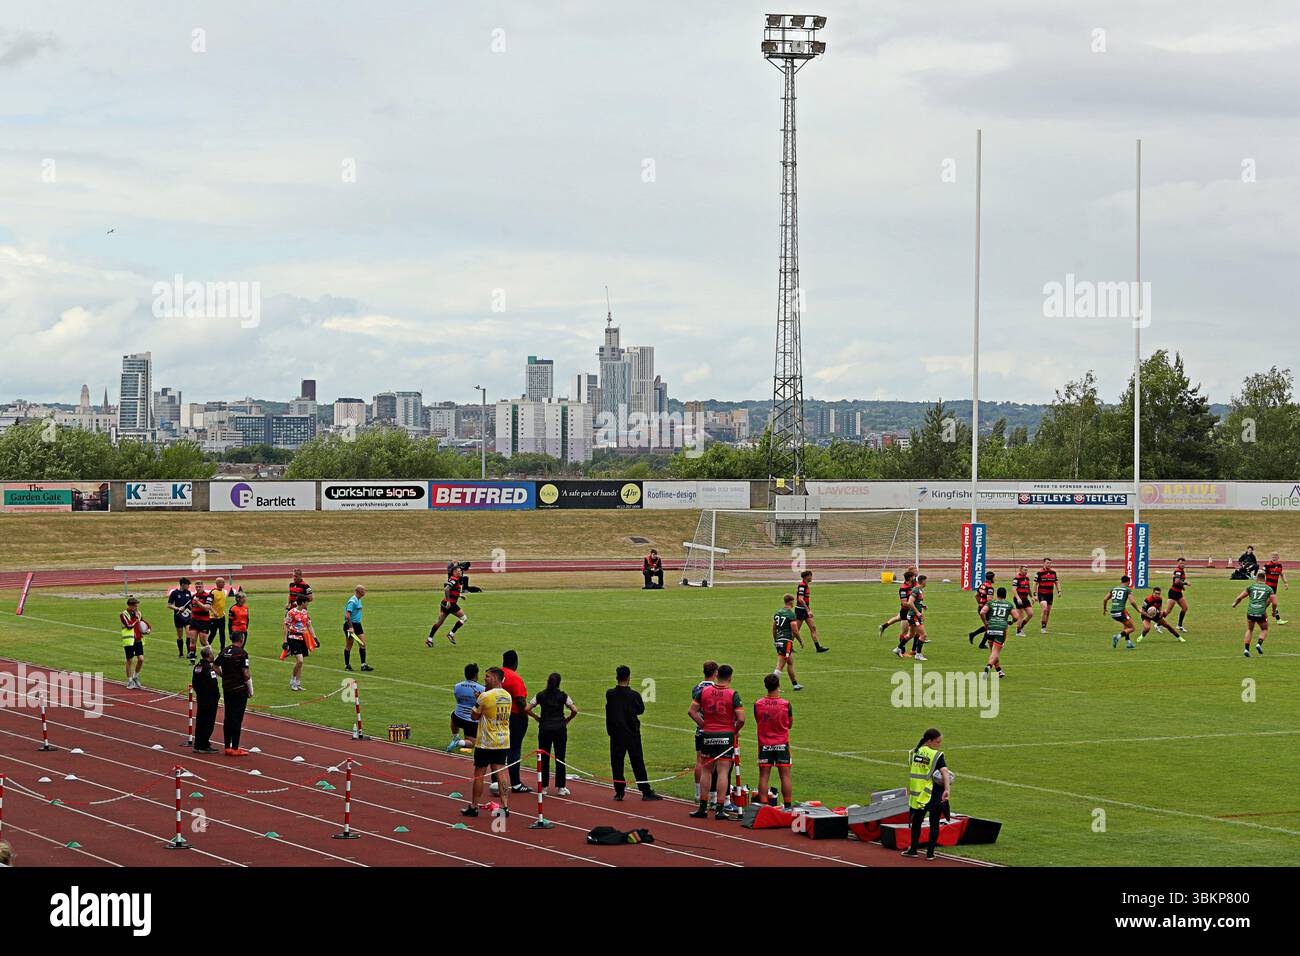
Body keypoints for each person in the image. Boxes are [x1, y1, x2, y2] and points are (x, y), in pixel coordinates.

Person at [688, 663, 743, 819]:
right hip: (725, 735)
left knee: (706, 770)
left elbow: (691, 711)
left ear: (717, 674)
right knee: (723, 771)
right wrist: (734, 730)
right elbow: (741, 719)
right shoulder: (733, 694)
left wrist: (703, 724)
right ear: (730, 677)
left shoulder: (704, 691)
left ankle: (702, 807)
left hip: (708, 734)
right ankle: (720, 808)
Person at [606, 664, 662, 802]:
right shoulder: (634, 695)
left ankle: (619, 792)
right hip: (631, 733)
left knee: (617, 763)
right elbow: (640, 710)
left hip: (616, 734)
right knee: (637, 762)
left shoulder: (610, 694)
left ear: (617, 677)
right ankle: (645, 790)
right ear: (629, 677)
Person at [462, 667, 511, 818]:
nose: (485, 679)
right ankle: (505, 807)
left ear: (496, 678)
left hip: (486, 741)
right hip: (502, 739)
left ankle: (474, 806)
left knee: (479, 774)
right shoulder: (507, 695)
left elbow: (474, 716)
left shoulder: (485, 696)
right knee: (501, 773)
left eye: (488, 677)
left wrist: (478, 700)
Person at [902, 727, 951, 861]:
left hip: (918, 795)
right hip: (933, 793)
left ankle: (913, 850)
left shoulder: (914, 752)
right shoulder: (936, 755)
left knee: (917, 822)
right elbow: (945, 773)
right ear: (929, 741)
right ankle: (930, 853)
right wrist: (947, 789)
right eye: (937, 742)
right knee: (934, 823)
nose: (939, 745)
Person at [526, 673, 578, 795]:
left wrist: (537, 718)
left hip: (545, 728)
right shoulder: (563, 695)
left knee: (544, 757)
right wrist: (568, 719)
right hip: (559, 728)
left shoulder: (540, 695)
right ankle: (561, 787)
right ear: (559, 683)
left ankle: (544, 787)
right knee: (560, 757)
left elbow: (527, 708)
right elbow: (574, 710)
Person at [754, 673, 794, 810]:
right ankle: (788, 805)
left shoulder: (758, 704)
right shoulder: (786, 704)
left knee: (764, 776)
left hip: (765, 744)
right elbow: (790, 724)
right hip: (782, 744)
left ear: (766, 686)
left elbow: (757, 720)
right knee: (785, 776)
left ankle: (763, 806)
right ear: (778, 685)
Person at [216, 630, 253, 755]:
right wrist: (250, 689)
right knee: (237, 718)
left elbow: (215, 666)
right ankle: (235, 748)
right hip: (239, 689)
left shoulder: (225, 651)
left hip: (227, 688)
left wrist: (224, 676)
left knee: (228, 717)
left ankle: (227, 746)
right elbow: (246, 673)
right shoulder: (242, 653)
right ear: (242, 639)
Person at [691, 661, 721, 809]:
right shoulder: (715, 689)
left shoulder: (696, 687)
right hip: (713, 730)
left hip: (700, 731)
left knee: (699, 761)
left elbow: (694, 710)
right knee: (713, 765)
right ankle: (714, 797)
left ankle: (698, 793)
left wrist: (701, 724)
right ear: (715, 673)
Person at [1232, 571, 1277, 658]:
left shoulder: (1251, 587)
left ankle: (1246, 649)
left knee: (1250, 629)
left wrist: (1235, 604)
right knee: (1264, 629)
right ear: (1265, 579)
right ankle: (1259, 644)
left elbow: (1239, 597)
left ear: (1256, 578)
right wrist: (1273, 611)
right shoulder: (1268, 589)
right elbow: (1274, 603)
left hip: (1251, 612)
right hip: (1261, 613)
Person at [446, 662, 485, 753]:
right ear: (476, 674)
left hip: (458, 718)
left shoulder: (457, 686)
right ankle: (458, 742)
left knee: (453, 713)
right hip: (472, 720)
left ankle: (455, 737)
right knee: (472, 742)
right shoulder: (482, 689)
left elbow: (459, 701)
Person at [426, 565, 469, 647]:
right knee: (464, 618)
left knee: (439, 622)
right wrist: (449, 601)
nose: (461, 572)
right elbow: (446, 589)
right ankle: (451, 634)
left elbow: (452, 590)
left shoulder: (453, 579)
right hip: (451, 604)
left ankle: (429, 639)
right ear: (454, 572)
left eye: (461, 571)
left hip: (444, 603)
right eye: (459, 571)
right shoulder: (454, 579)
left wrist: (460, 595)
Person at [282, 594, 317, 691]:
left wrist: (315, 638)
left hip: (303, 638)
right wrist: (285, 641)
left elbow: (309, 625)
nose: (308, 604)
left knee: (300, 663)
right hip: (293, 637)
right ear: (302, 602)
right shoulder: (291, 612)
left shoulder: (305, 612)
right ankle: (293, 680)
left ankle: (298, 683)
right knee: (300, 660)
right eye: (307, 602)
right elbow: (285, 625)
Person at [191, 645, 221, 754]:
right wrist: (216, 696)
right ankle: (203, 744)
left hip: (201, 697)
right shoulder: (209, 668)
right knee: (208, 723)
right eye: (212, 653)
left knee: (200, 721)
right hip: (210, 700)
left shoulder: (197, 667)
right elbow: (213, 684)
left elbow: (194, 683)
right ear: (209, 655)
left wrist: (200, 693)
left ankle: (198, 743)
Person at [771, 593, 804, 690]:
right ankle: (774, 687)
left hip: (779, 640)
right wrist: (800, 641)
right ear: (791, 602)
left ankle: (795, 684)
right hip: (786, 641)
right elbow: (795, 630)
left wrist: (776, 640)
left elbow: (774, 628)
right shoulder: (790, 614)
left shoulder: (778, 613)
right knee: (780, 665)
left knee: (790, 661)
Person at [894, 574, 928, 660]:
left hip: (914, 615)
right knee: (923, 635)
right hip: (914, 616)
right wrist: (917, 612)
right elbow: (910, 602)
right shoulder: (916, 590)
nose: (927, 582)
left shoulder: (920, 590)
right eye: (926, 580)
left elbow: (917, 602)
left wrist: (922, 606)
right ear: (923, 581)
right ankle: (918, 654)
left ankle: (898, 649)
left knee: (911, 634)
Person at [794, 570, 829, 653]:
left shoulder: (805, 585)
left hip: (805, 610)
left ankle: (818, 648)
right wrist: (808, 610)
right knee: (796, 630)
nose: (812, 578)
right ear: (807, 577)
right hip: (800, 610)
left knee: (813, 627)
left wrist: (808, 610)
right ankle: (788, 646)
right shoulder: (802, 586)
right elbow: (800, 599)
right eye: (811, 576)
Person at [983, 587, 1014, 678]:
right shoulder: (1008, 604)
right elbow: (1016, 616)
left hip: (991, 628)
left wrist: (985, 622)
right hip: (1001, 629)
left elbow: (982, 612)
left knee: (992, 651)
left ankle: (999, 670)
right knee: (995, 652)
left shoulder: (991, 603)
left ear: (997, 594)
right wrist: (1011, 622)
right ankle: (988, 666)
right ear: (1005, 595)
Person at [1105, 575, 1141, 650]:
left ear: (1121, 581)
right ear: (1129, 582)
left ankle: (1128, 643)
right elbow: (1132, 602)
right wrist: (1137, 609)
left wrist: (1104, 609)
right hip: (1121, 612)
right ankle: (1117, 637)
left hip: (1113, 613)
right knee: (1132, 628)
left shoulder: (1114, 589)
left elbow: (1105, 599)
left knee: (1126, 625)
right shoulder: (1127, 589)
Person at [118, 596, 148, 688]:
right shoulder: (123, 614)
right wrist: (135, 618)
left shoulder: (138, 613)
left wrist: (148, 629)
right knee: (129, 660)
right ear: (130, 606)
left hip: (138, 639)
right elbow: (129, 625)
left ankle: (135, 677)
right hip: (129, 640)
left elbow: (142, 622)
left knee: (141, 659)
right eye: (135, 606)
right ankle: (130, 680)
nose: (136, 608)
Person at [879, 568, 916, 639]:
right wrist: (914, 606)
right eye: (914, 576)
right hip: (906, 611)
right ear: (910, 578)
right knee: (905, 631)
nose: (915, 577)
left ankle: (883, 626)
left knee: (898, 618)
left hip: (912, 609)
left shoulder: (913, 584)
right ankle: (900, 648)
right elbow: (904, 603)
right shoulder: (903, 588)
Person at [343, 585, 373, 672]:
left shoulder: (358, 600)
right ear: (357, 592)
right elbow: (347, 615)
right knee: (349, 646)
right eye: (362, 593)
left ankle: (363, 665)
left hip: (357, 625)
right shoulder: (352, 601)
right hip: (350, 626)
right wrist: (351, 627)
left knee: (362, 644)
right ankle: (347, 665)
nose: (363, 594)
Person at [186, 580, 213, 661]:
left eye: (199, 587)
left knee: (203, 641)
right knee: (193, 639)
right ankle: (192, 658)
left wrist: (198, 602)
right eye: (196, 587)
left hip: (204, 622)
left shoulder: (208, 596)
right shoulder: (193, 596)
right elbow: (191, 607)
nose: (198, 588)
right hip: (194, 621)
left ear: (202, 586)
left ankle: (210, 657)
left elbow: (207, 608)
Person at [166, 577, 192, 658]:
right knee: (180, 635)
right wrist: (178, 608)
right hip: (178, 617)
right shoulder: (174, 593)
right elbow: (169, 605)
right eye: (187, 585)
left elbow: (190, 604)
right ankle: (181, 653)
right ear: (183, 584)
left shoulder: (188, 593)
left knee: (189, 634)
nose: (189, 587)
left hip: (187, 616)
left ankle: (189, 653)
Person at [1164, 557, 1192, 633]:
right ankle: (1158, 624)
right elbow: (1176, 582)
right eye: (1180, 563)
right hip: (1173, 593)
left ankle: (1179, 625)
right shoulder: (1178, 571)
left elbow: (1179, 581)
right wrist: (1186, 583)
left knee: (1185, 608)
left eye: (1183, 563)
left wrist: (1182, 587)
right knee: (1168, 611)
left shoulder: (1181, 571)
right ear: (1178, 564)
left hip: (1178, 593)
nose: (1182, 564)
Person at [969, 570, 995, 648]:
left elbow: (976, 596)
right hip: (986, 609)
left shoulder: (982, 585)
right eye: (994, 577)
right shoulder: (989, 588)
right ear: (991, 578)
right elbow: (989, 600)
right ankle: (982, 644)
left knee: (988, 626)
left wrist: (980, 604)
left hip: (981, 608)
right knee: (990, 626)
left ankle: (974, 635)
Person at [1035, 559, 1060, 634]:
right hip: (1042, 594)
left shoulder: (1053, 572)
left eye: (1050, 563)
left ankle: (1044, 626)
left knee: (1048, 612)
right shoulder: (1039, 573)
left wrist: (1059, 591)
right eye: (1047, 563)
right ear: (1044, 563)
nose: (1049, 564)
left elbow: (1057, 582)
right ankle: (1043, 627)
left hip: (1050, 594)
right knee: (1045, 609)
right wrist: (1034, 594)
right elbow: (1035, 584)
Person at [1263, 552, 1289, 624]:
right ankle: (1277, 619)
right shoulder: (1267, 565)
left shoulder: (1279, 565)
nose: (1274, 558)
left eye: (1275, 557)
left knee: (1270, 602)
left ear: (1278, 557)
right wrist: (1261, 583)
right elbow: (1262, 574)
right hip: (1267, 587)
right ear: (1271, 557)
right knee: (1270, 601)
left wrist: (1285, 583)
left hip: (1274, 587)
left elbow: (1282, 574)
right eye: (1273, 557)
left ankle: (1262, 614)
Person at [1012, 565, 1035, 635]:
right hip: (1018, 599)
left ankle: (1021, 626)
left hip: (1025, 598)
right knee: (1021, 615)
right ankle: (1018, 631)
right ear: (1020, 570)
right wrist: (1018, 598)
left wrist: (1032, 597)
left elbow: (1028, 588)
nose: (1026, 571)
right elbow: (1013, 589)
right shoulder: (1016, 578)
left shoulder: (1027, 578)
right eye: (1024, 570)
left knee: (1030, 614)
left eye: (1026, 570)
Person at [210, 576, 229, 652]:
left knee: (222, 634)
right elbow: (209, 604)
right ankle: (206, 646)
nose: (224, 583)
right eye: (222, 582)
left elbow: (221, 604)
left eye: (224, 582)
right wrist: (214, 612)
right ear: (217, 583)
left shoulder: (224, 592)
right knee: (213, 633)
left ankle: (222, 649)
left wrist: (222, 612)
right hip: (213, 617)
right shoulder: (213, 592)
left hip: (221, 617)